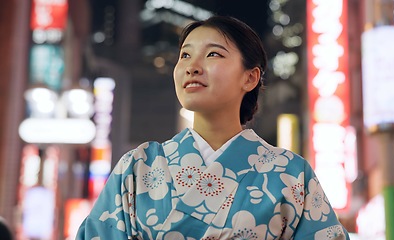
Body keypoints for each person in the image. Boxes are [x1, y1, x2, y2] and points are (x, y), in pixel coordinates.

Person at [76, 15, 350, 239]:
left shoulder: (291, 175)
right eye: (184, 55)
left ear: (250, 77)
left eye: (213, 55)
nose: (192, 67)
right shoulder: (137, 167)